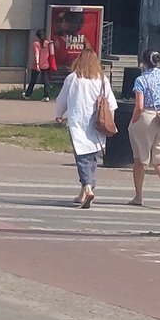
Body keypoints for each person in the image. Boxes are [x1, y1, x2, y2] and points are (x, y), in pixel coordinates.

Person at [53, 48, 117, 209]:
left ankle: (87, 187)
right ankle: (85, 190)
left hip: (78, 123)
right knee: (93, 157)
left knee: (82, 158)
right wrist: (111, 122)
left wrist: (59, 114)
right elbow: (111, 103)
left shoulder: (72, 78)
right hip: (97, 123)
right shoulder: (101, 79)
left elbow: (62, 98)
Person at [128, 49, 160, 207]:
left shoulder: (141, 80)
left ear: (144, 62)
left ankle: (139, 196)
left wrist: (135, 118)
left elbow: (139, 105)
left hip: (147, 117)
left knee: (140, 159)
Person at [24, 29, 56, 100]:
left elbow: (36, 54)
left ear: (38, 37)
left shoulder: (36, 44)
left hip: (36, 65)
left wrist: (37, 64)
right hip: (45, 64)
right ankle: (46, 96)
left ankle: (28, 95)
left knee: (33, 80)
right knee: (46, 81)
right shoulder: (48, 43)